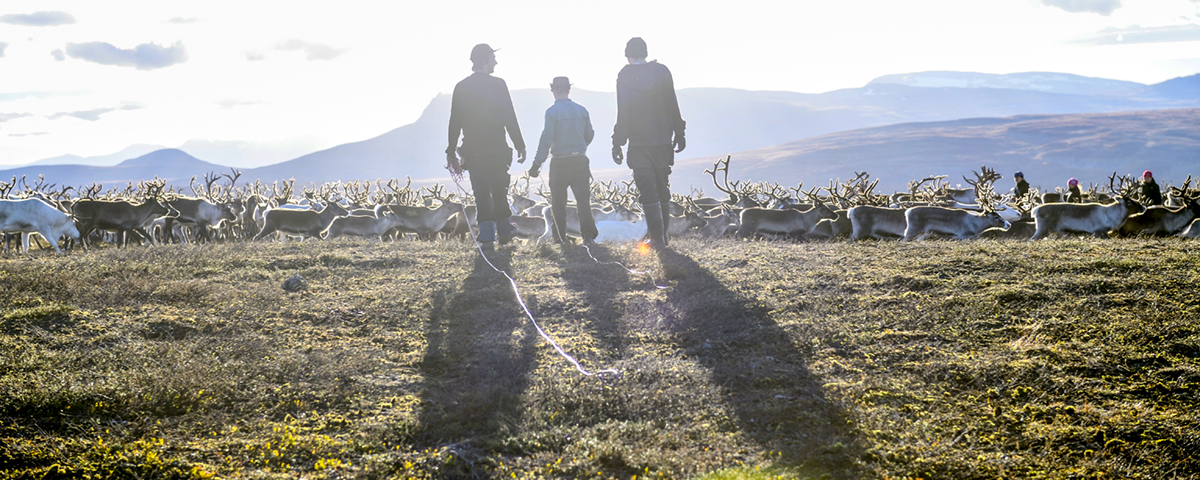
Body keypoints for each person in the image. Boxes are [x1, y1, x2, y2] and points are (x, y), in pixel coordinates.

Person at [446, 43, 526, 251]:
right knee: (500, 191)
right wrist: (519, 144)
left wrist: (450, 151)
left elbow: (455, 122)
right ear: (485, 59)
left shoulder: (461, 87)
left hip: (473, 151)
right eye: (493, 58)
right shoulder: (499, 84)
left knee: (481, 193)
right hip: (498, 150)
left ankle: (488, 237)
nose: (496, 62)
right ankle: (506, 233)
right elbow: (510, 116)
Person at [611, 37, 686, 250]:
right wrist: (679, 133)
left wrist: (617, 142)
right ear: (645, 52)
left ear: (628, 55)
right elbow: (672, 102)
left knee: (647, 190)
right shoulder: (662, 71)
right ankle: (663, 237)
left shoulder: (625, 75)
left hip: (639, 142)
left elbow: (622, 111)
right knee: (662, 187)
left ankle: (657, 238)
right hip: (663, 139)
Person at [528, 76, 598, 245]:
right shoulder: (582, 110)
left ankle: (560, 237)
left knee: (558, 203)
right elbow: (590, 135)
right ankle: (588, 236)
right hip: (580, 160)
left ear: (554, 91)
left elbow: (546, 138)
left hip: (560, 162)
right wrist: (580, 147)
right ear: (569, 90)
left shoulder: (552, 112)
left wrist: (537, 164)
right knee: (583, 201)